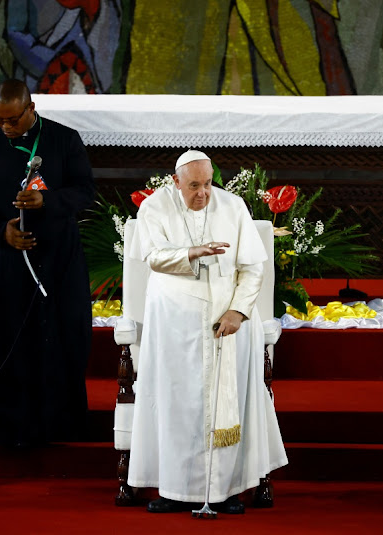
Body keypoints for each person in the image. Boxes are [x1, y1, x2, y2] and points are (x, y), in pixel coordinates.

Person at [127, 150, 288, 514]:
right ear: (176, 182)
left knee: (224, 404)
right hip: (173, 324)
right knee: (177, 405)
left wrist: (239, 311)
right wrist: (192, 252)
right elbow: (153, 256)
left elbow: (252, 269)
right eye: (194, 186)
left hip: (225, 323)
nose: (203, 194)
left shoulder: (233, 207)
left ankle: (227, 490)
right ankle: (173, 489)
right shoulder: (155, 208)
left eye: (208, 184)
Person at [0, 79, 95, 447]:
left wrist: (47, 203)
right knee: (7, 337)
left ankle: (60, 423)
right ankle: (9, 424)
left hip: (57, 259)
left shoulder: (64, 140)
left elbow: (85, 191)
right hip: (6, 261)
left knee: (61, 335)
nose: (6, 127)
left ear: (31, 108)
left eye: (13, 120)